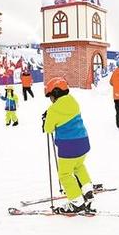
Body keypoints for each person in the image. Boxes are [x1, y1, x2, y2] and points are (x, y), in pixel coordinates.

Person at [42, 77, 95, 213]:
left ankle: (76, 202)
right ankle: (88, 191)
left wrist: (46, 118)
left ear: (56, 93)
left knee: (65, 174)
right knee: (78, 166)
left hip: (68, 146)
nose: (51, 100)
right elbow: (64, 113)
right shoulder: (73, 102)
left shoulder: (53, 110)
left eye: (51, 96)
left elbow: (48, 129)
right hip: (83, 141)